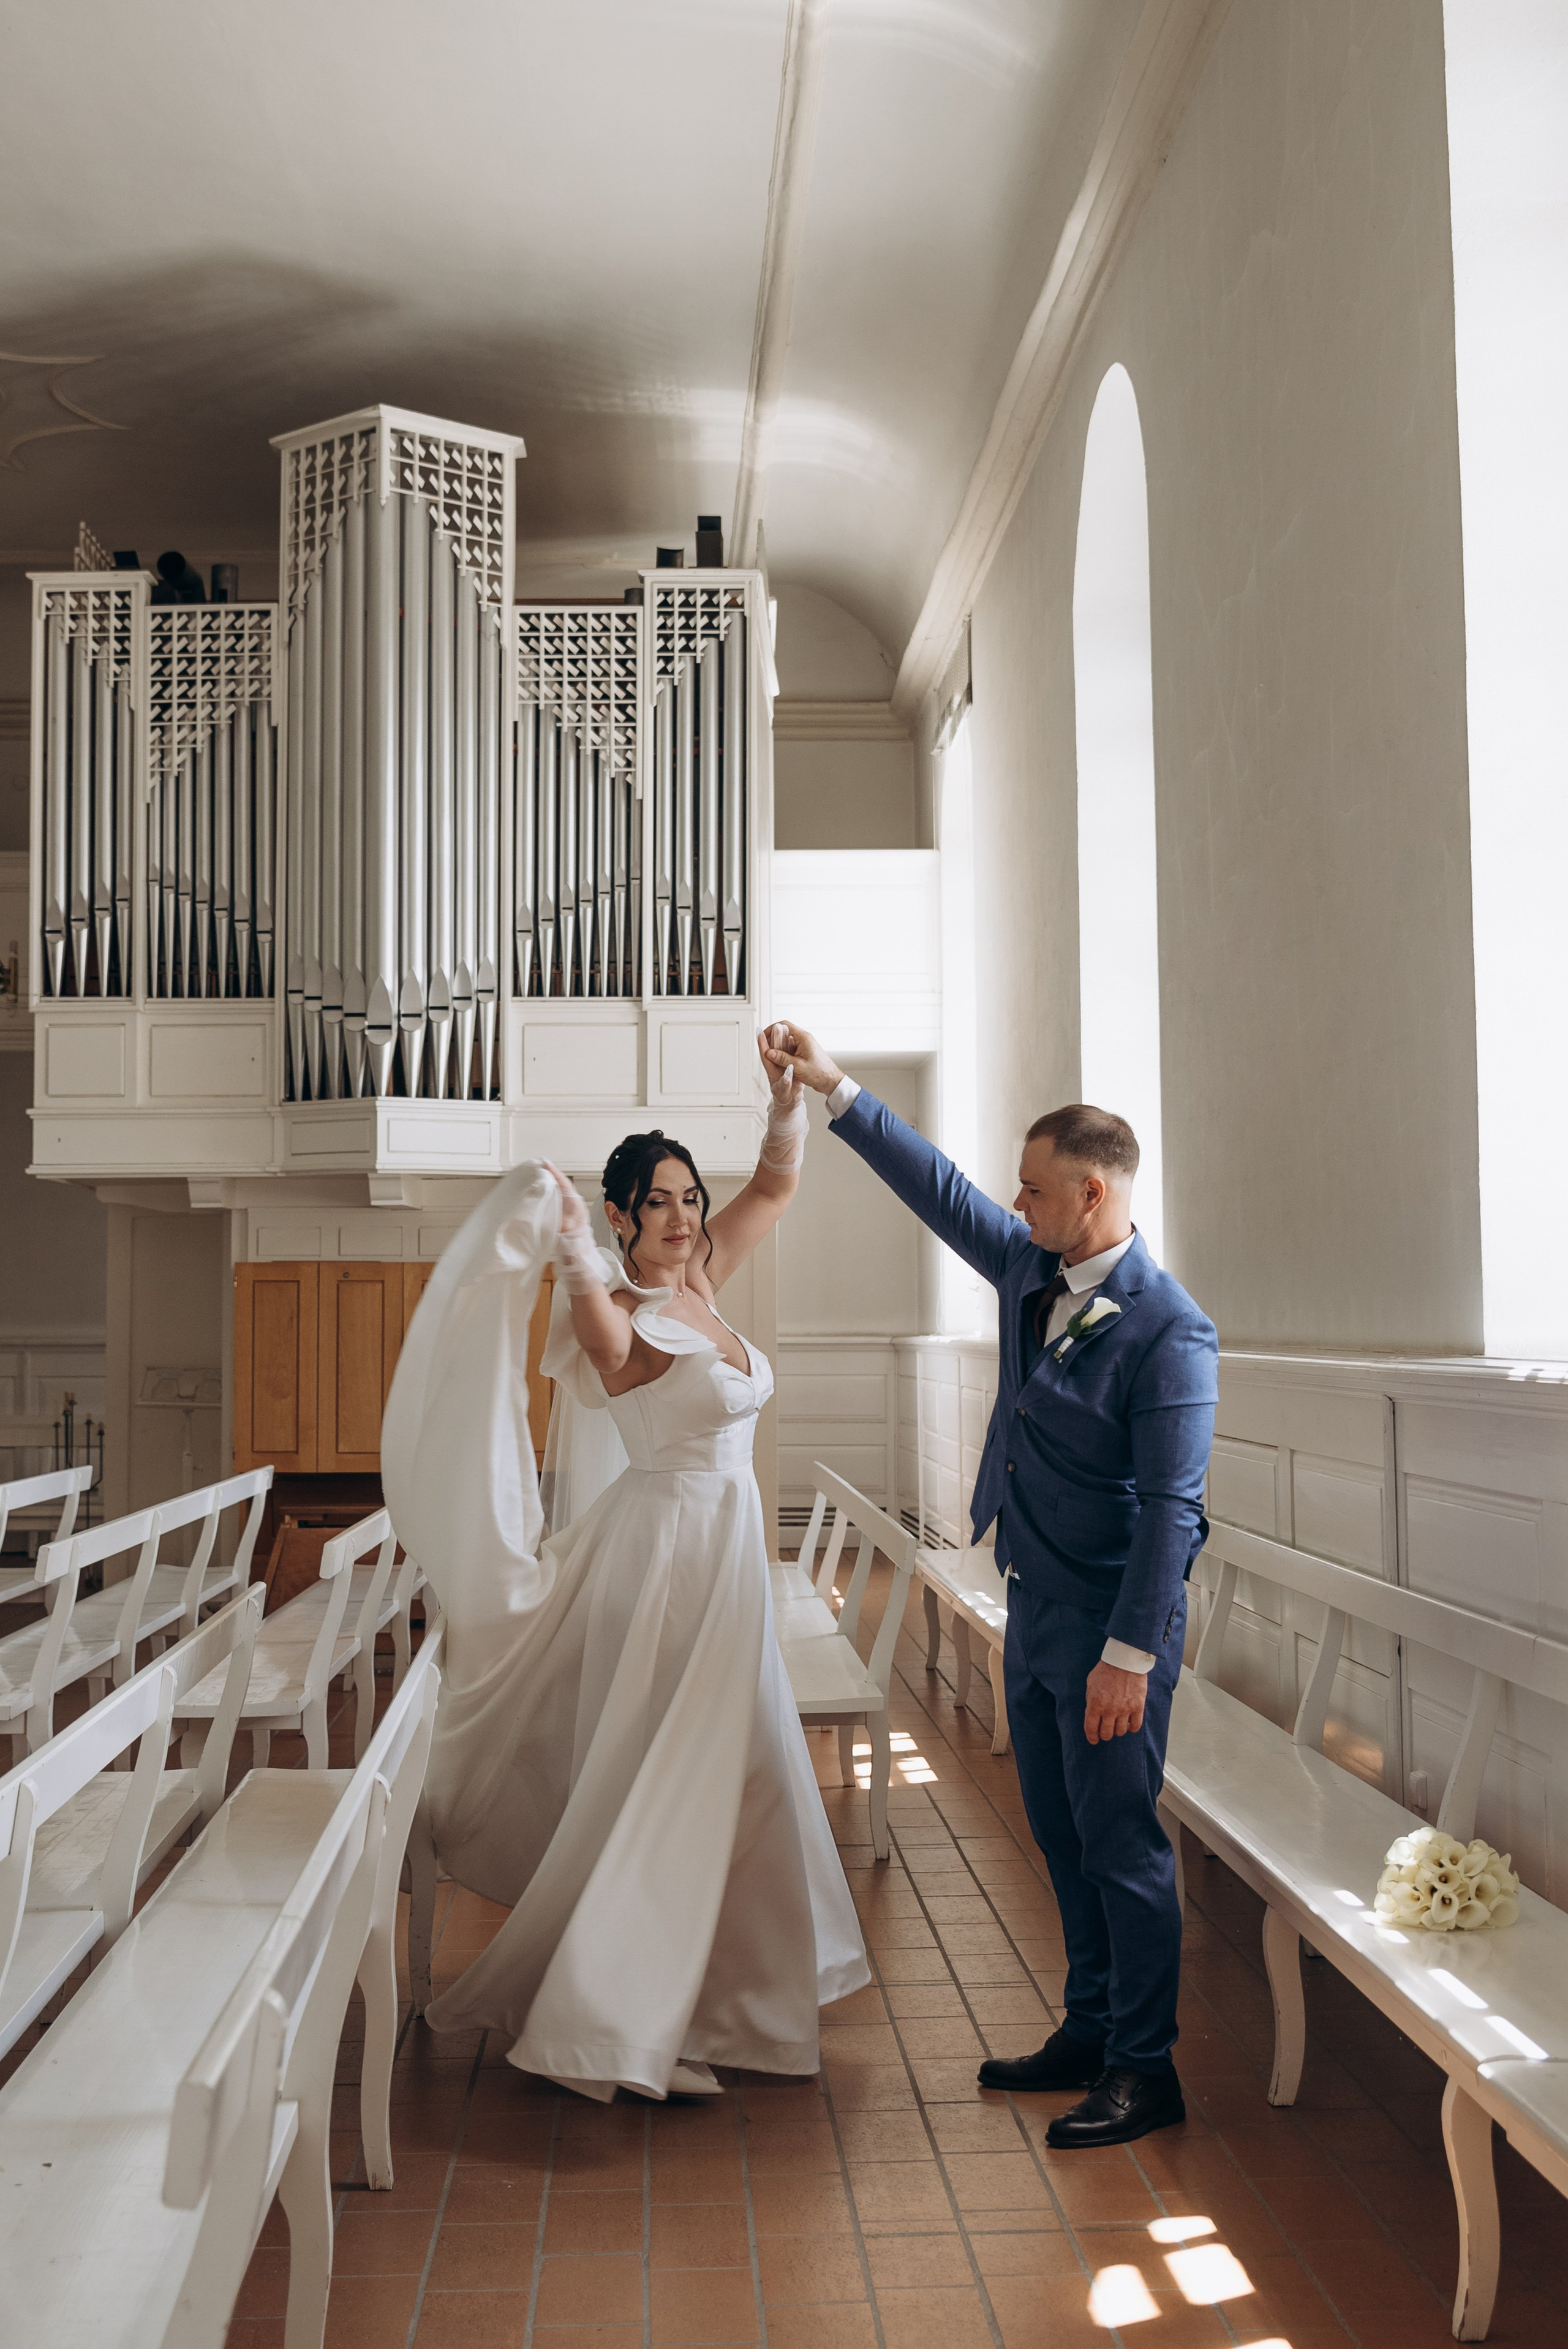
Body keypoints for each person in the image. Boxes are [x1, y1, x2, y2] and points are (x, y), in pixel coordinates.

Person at [381, 1031, 867, 2103]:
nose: (683, 1217)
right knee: (676, 1775)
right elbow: (607, 1358)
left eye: (690, 1198)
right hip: (668, 1557)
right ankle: (619, 2020)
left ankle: (737, 2004)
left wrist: (786, 1098)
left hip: (727, 1546)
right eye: (659, 1203)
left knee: (746, 1771)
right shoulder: (620, 1304)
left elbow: (778, 1185)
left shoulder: (704, 1279)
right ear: (621, 1215)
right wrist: (568, 1241)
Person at [767, 1025, 1217, 2149]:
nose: (1016, 1204)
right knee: (1061, 1836)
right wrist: (834, 1086)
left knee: (1122, 1847)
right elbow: (940, 1190)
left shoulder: (1171, 1332)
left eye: (1036, 1188)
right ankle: (1090, 2026)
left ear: (1094, 1193)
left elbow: (1174, 1512)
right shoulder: (1031, 1266)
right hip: (1035, 1603)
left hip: (1112, 1633)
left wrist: (1130, 1659)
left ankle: (1145, 2068)